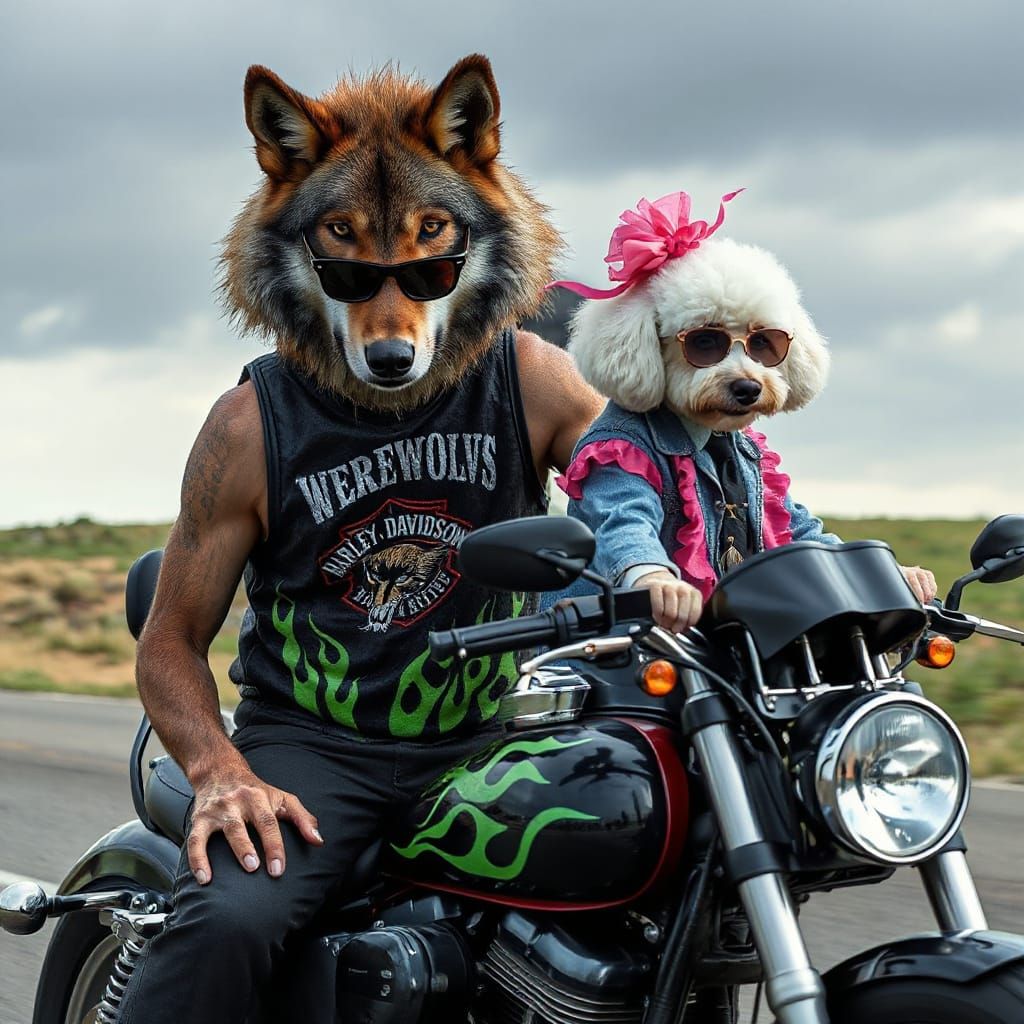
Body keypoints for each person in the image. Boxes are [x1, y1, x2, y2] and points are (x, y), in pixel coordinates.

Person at [118, 54, 602, 1022]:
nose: (392, 322)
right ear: (303, 254)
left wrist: (809, 567)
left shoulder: (533, 381)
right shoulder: (251, 427)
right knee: (228, 921)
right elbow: (167, 643)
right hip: (312, 751)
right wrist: (219, 773)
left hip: (491, 739)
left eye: (428, 260)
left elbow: (651, 490)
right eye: (347, 262)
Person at [551, 189, 936, 630]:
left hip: (713, 662)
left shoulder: (743, 449)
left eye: (761, 345)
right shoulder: (621, 449)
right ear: (651, 347)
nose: (745, 375)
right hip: (615, 664)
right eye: (704, 343)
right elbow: (623, 524)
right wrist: (651, 575)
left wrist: (878, 577)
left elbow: (798, 535)